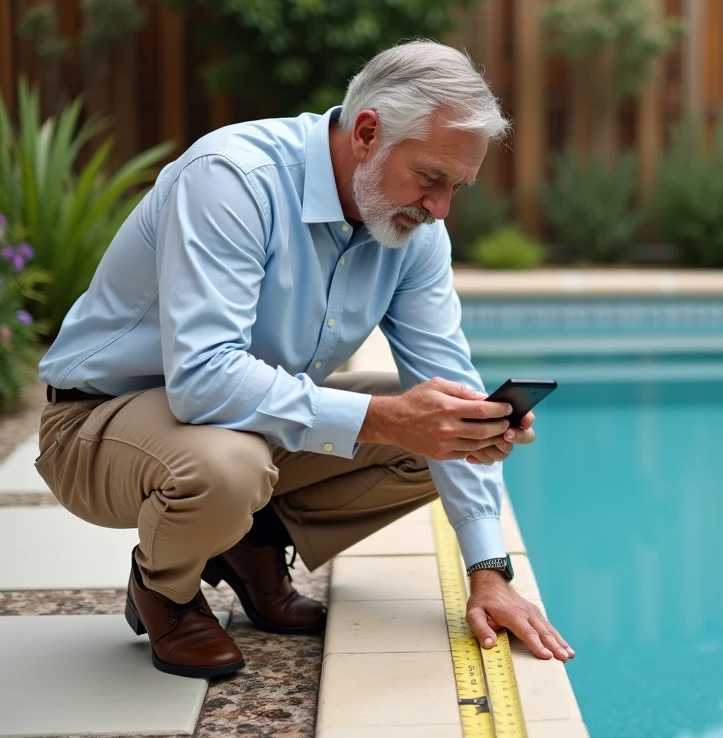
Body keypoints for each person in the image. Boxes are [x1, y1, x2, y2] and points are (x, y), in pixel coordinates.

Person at [35, 40, 573, 678]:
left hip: (236, 423)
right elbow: (203, 381)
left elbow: (448, 382)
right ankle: (165, 592)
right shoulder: (232, 180)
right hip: (95, 424)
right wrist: (383, 418)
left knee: (450, 426)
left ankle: (250, 545)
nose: (440, 208)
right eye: (432, 178)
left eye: (456, 187)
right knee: (229, 465)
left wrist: (489, 570)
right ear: (368, 131)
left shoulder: (410, 231)